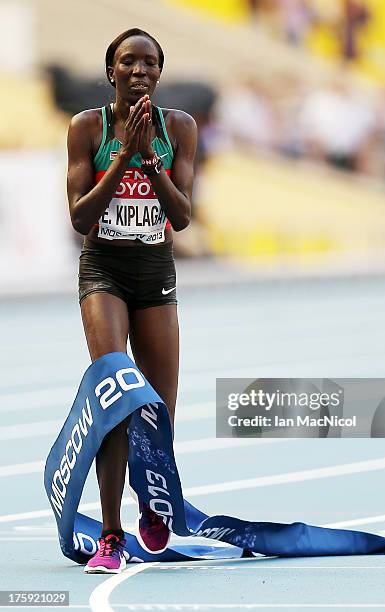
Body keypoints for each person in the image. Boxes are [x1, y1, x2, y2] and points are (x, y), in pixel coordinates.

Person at [66, 28, 197, 573]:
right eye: (129, 62)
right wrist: (121, 158)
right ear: (111, 71)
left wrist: (149, 160)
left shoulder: (179, 128)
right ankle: (112, 536)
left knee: (158, 406)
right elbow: (79, 218)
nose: (139, 71)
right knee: (117, 394)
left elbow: (183, 216)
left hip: (154, 271)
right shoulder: (88, 127)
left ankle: (154, 504)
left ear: (159, 74)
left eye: (149, 63)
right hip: (104, 269)